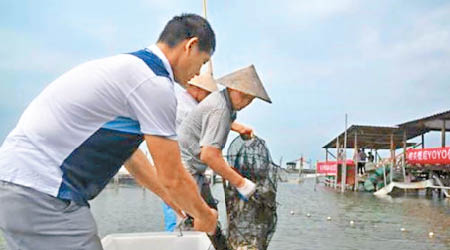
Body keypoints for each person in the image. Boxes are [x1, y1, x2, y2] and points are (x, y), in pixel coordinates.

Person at [0, 13, 218, 250]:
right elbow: (172, 175)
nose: (198, 72)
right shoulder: (154, 84)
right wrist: (204, 215)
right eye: (203, 62)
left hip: (17, 184)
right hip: (42, 190)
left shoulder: (131, 69)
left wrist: (167, 196)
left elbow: (132, 157)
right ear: (191, 45)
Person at [177, 64, 272, 250]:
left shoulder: (225, 105)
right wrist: (241, 183)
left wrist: (239, 128)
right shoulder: (220, 109)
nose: (245, 102)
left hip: (194, 169)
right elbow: (209, 155)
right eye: (243, 96)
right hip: (184, 170)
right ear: (231, 88)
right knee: (197, 221)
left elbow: (219, 122)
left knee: (210, 214)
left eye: (250, 99)